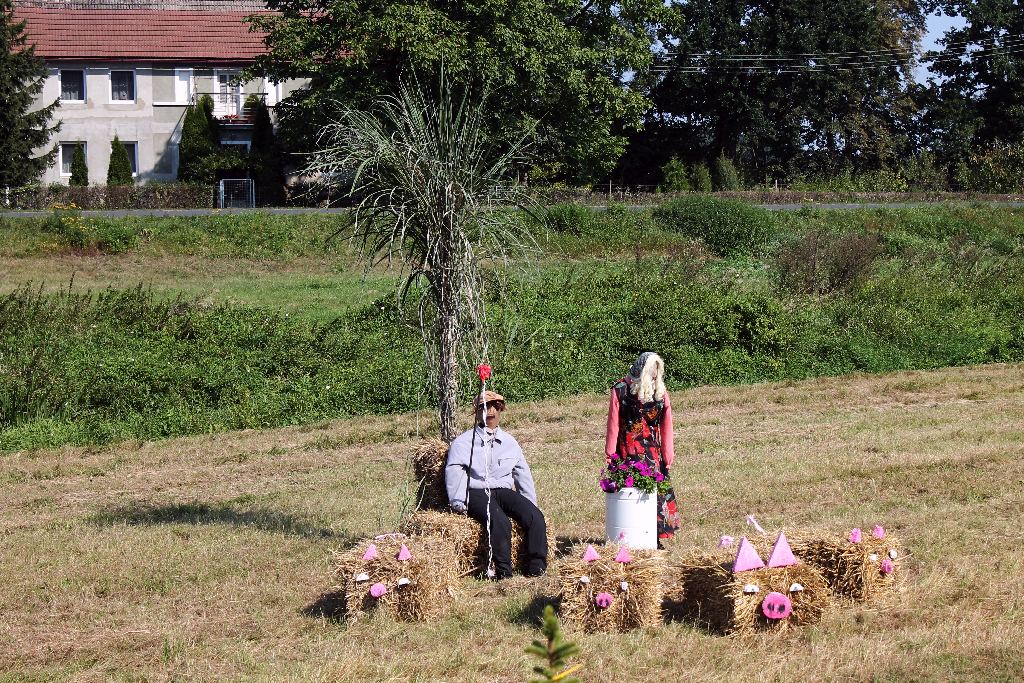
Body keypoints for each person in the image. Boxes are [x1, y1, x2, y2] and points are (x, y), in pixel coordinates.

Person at [445, 390, 548, 579]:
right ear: (476, 413)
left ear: (500, 410)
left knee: (535, 517)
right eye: (484, 408)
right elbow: (454, 472)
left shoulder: (510, 442)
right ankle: (504, 573)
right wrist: (457, 501)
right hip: (476, 491)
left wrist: (529, 502)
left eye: (494, 407)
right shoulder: (463, 443)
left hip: (502, 491)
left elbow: (522, 473)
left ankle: (537, 567)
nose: (489, 411)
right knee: (499, 521)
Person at [605, 352, 680, 544]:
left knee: (645, 492)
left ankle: (651, 537)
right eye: (652, 369)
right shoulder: (621, 390)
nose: (655, 373)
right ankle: (634, 535)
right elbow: (613, 425)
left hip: (647, 453)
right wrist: (610, 454)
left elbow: (666, 426)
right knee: (636, 493)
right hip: (629, 453)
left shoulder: (658, 392)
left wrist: (668, 456)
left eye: (657, 369)